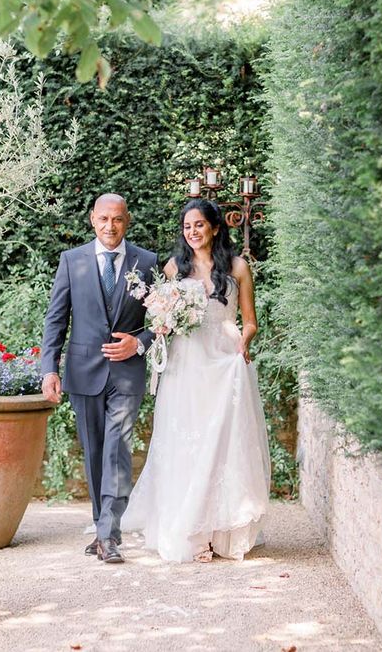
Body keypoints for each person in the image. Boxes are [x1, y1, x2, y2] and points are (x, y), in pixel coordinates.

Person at [122, 199, 271, 563]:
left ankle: (221, 528)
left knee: (221, 444)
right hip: (185, 366)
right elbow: (159, 315)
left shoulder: (238, 268)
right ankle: (191, 529)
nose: (193, 232)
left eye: (199, 225)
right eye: (187, 226)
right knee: (185, 444)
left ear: (215, 228)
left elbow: (250, 319)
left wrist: (243, 341)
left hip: (223, 362)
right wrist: (162, 320)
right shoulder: (175, 267)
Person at [41, 193, 157, 564]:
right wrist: (49, 369)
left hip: (127, 374)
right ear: (93, 219)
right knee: (93, 451)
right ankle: (100, 524)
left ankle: (109, 535)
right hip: (82, 371)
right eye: (104, 219)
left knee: (117, 448)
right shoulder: (71, 261)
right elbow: (56, 319)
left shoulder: (148, 262)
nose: (111, 226)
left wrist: (138, 343)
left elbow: (162, 321)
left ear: (128, 221)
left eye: (118, 220)